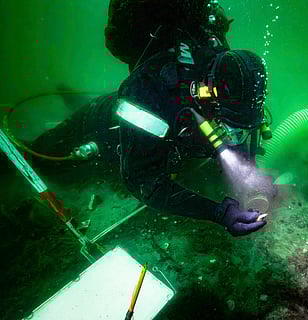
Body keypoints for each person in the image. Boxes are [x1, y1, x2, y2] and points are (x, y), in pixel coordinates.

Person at [32, 0, 270, 236]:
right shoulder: (149, 93)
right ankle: (26, 154)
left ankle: (69, 101)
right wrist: (218, 212)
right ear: (208, 92)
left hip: (163, 117)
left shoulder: (223, 66)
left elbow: (242, 122)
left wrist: (252, 176)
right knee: (47, 154)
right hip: (105, 124)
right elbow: (144, 182)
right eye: (229, 124)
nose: (231, 134)